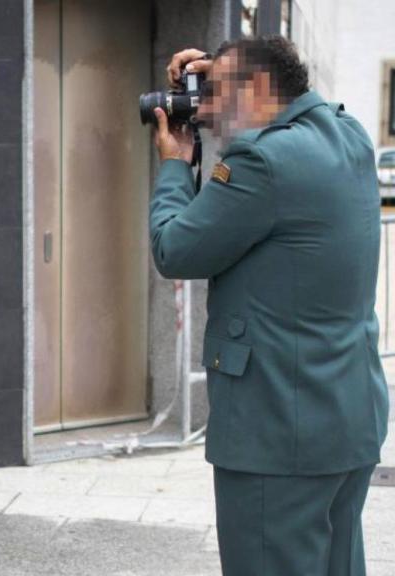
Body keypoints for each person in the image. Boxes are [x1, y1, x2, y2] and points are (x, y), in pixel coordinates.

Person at [149, 36, 389, 576]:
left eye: (211, 94)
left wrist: (173, 165)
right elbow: (298, 94)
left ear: (257, 88)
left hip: (278, 434)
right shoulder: (348, 136)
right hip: (348, 423)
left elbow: (175, 248)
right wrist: (225, 70)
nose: (202, 111)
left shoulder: (261, 161)